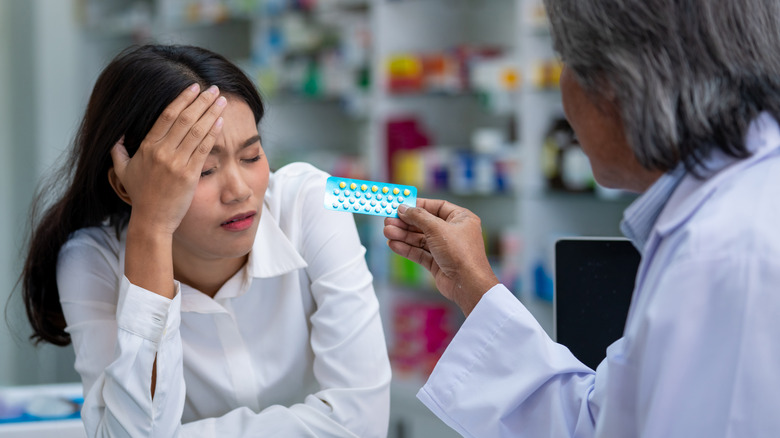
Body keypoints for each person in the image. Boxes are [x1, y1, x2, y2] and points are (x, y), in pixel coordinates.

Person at [383, 0, 780, 436]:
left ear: (618, 81)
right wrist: (470, 283)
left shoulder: (726, 253)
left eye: (565, 63)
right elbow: (598, 421)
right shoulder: (720, 218)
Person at [21, 44, 390, 437]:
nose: (239, 191)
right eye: (203, 170)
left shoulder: (312, 201)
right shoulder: (91, 259)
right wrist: (151, 227)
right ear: (127, 185)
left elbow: (362, 424)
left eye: (251, 156)